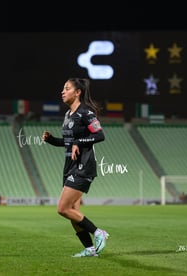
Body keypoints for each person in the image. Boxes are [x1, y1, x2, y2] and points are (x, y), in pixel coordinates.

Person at [42, 77, 109, 257]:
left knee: (63, 209)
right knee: (73, 212)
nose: (62, 91)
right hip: (69, 166)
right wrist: (52, 140)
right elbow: (68, 143)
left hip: (84, 166)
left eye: (67, 88)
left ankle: (98, 233)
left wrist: (79, 141)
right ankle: (89, 249)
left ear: (77, 92)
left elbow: (100, 135)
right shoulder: (68, 115)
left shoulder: (86, 113)